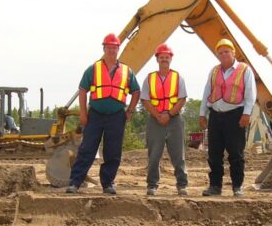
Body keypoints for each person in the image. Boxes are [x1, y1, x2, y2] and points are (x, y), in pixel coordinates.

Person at [65, 33, 140, 195]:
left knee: (113, 151)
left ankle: (107, 184)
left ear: (118, 49)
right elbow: (83, 90)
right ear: (104, 49)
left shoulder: (127, 71)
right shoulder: (93, 69)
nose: (112, 50)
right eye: (109, 47)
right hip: (95, 115)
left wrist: (130, 110)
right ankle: (75, 182)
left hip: (117, 116)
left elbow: (136, 91)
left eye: (114, 48)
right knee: (87, 149)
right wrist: (83, 113)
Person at [199, 38, 256, 197]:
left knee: (236, 153)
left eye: (226, 52)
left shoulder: (244, 70)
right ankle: (215, 186)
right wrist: (202, 114)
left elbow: (250, 94)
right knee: (214, 153)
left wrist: (246, 113)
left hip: (235, 116)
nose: (223, 55)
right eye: (220, 52)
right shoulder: (214, 71)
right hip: (216, 116)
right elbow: (207, 92)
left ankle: (237, 186)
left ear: (233, 53)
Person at [141, 43, 189, 196]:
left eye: (166, 57)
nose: (164, 59)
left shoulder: (178, 77)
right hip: (155, 119)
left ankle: (182, 185)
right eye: (161, 57)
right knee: (154, 155)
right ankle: (152, 185)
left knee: (178, 155)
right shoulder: (150, 78)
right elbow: (145, 100)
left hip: (174, 119)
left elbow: (182, 99)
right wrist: (158, 115)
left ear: (171, 59)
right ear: (157, 59)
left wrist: (169, 114)